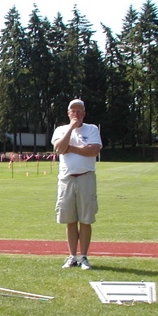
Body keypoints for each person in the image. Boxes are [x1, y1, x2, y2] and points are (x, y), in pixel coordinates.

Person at [51, 99, 102, 269]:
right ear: (68, 113)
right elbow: (59, 148)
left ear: (84, 113)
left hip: (85, 177)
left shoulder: (92, 129)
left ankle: (84, 257)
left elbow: (93, 150)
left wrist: (71, 148)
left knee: (86, 219)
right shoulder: (60, 130)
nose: (76, 114)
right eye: (73, 111)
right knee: (70, 219)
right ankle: (72, 256)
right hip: (66, 179)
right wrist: (71, 128)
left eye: (79, 111)